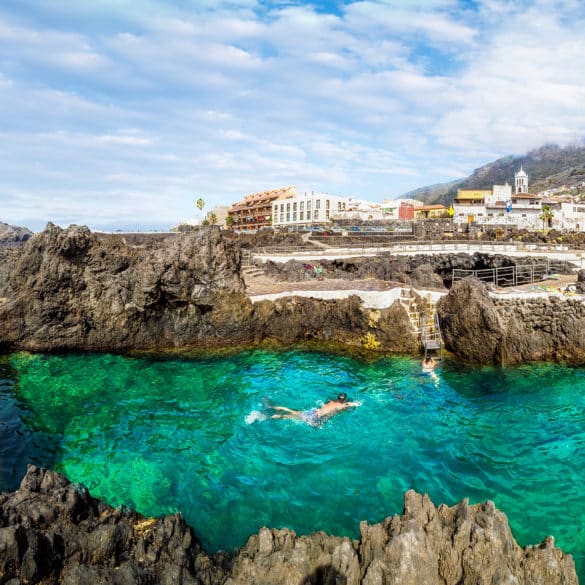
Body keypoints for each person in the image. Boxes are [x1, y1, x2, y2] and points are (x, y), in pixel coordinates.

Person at [269, 392, 361, 426]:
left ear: (338, 398)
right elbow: (356, 404)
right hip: (316, 416)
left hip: (314, 410)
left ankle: (272, 407)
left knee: (293, 411)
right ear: (344, 400)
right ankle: (273, 416)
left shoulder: (332, 400)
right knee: (290, 417)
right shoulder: (342, 406)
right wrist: (356, 403)